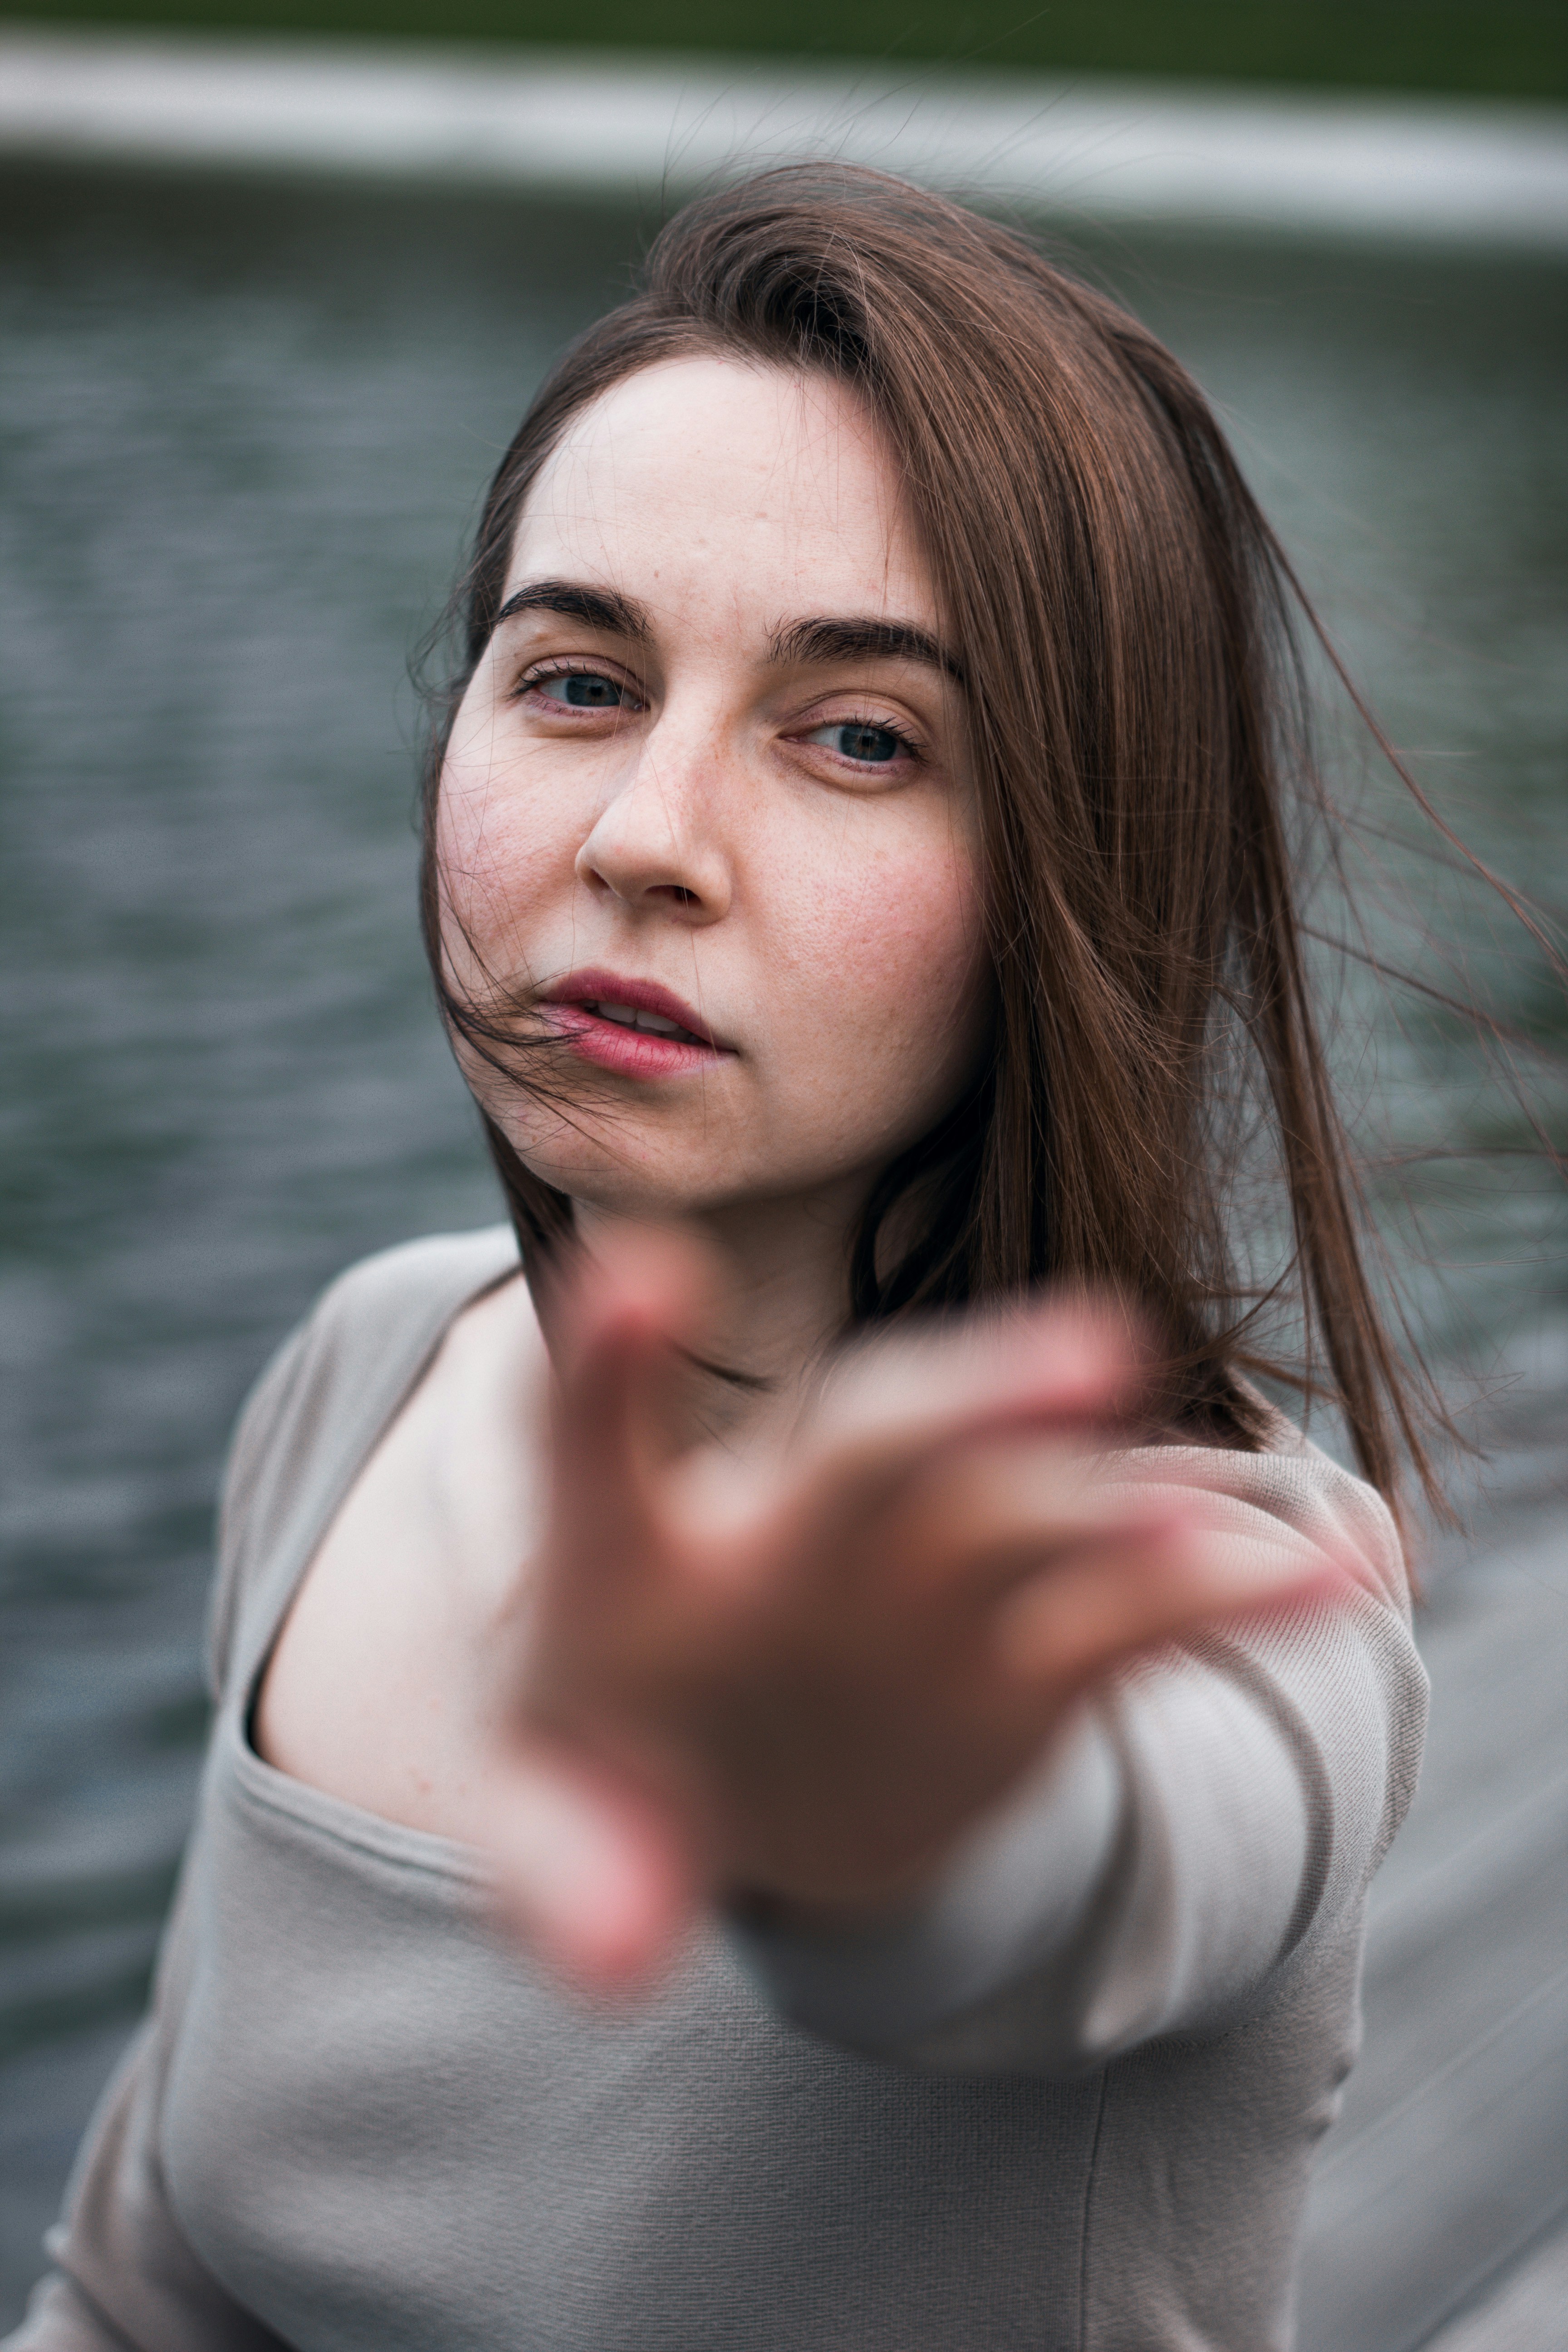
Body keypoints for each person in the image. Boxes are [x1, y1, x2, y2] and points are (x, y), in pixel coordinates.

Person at [10, 167, 1432, 2351]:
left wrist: (851, 1808)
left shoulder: (1235, 1605)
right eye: (575, 680)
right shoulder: (370, 1372)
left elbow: (1063, 1878)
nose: (646, 836)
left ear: (1076, 877)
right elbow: (143, 2289)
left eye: (858, 736)